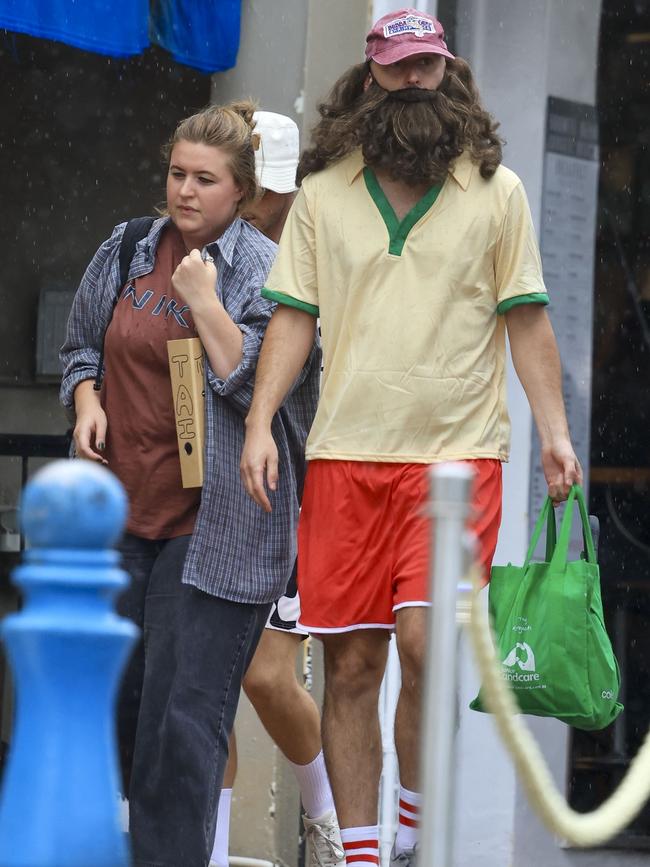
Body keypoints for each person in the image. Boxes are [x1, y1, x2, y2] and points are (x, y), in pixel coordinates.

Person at [239, 9, 582, 867]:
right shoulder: (321, 193)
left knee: (427, 645)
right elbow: (291, 321)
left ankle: (412, 830)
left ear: (448, 69)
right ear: (371, 77)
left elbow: (528, 319)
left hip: (455, 462)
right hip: (348, 455)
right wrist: (257, 423)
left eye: (427, 65)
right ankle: (364, 854)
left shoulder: (496, 189)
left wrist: (554, 432)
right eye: (399, 69)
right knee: (352, 665)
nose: (415, 81)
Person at [60, 100, 320, 867]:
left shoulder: (268, 273)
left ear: (242, 191)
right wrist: (86, 404)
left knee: (184, 719)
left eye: (205, 179)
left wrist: (204, 301)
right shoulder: (130, 246)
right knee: (125, 704)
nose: (186, 191)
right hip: (122, 514)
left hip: (213, 529)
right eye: (178, 174)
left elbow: (260, 386)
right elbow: (81, 346)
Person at [209, 111, 343, 867]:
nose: (276, 204)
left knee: (263, 673)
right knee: (204, 687)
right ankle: (213, 849)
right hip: (193, 490)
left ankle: (322, 816)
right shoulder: (181, 249)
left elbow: (257, 375)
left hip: (282, 490)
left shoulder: (303, 251)